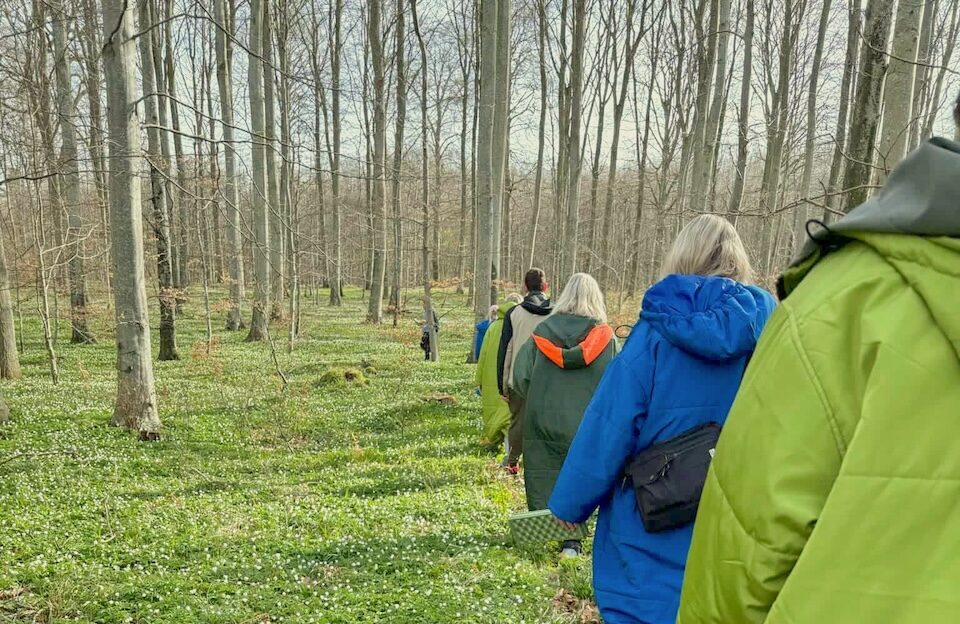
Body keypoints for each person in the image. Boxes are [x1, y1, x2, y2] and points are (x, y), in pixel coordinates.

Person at [677, 103, 960, 623]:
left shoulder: (843, 300)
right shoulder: (772, 310)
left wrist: (569, 506)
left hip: (659, 505)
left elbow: (749, 536)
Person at [548, 214, 776, 624]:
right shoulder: (771, 330)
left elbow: (611, 422)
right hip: (736, 510)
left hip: (653, 511)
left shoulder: (656, 332)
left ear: (681, 256)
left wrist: (571, 502)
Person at [512, 273, 618, 559]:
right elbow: (619, 382)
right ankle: (573, 542)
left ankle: (552, 529)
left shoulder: (542, 333)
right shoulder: (606, 338)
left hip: (543, 419)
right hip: (588, 422)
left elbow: (520, 379)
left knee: (547, 474)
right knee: (582, 475)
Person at [497, 268, 552, 473]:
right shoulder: (557, 313)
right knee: (546, 422)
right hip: (549, 379)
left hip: (519, 379)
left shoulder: (514, 313)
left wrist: (502, 385)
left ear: (525, 287)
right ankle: (543, 464)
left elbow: (506, 350)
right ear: (545, 287)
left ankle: (512, 462)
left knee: (517, 424)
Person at [476, 297, 520, 453]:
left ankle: (495, 442)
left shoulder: (493, 327)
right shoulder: (518, 326)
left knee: (494, 413)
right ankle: (510, 450)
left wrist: (479, 379)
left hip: (491, 378)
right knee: (509, 415)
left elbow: (482, 355)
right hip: (510, 377)